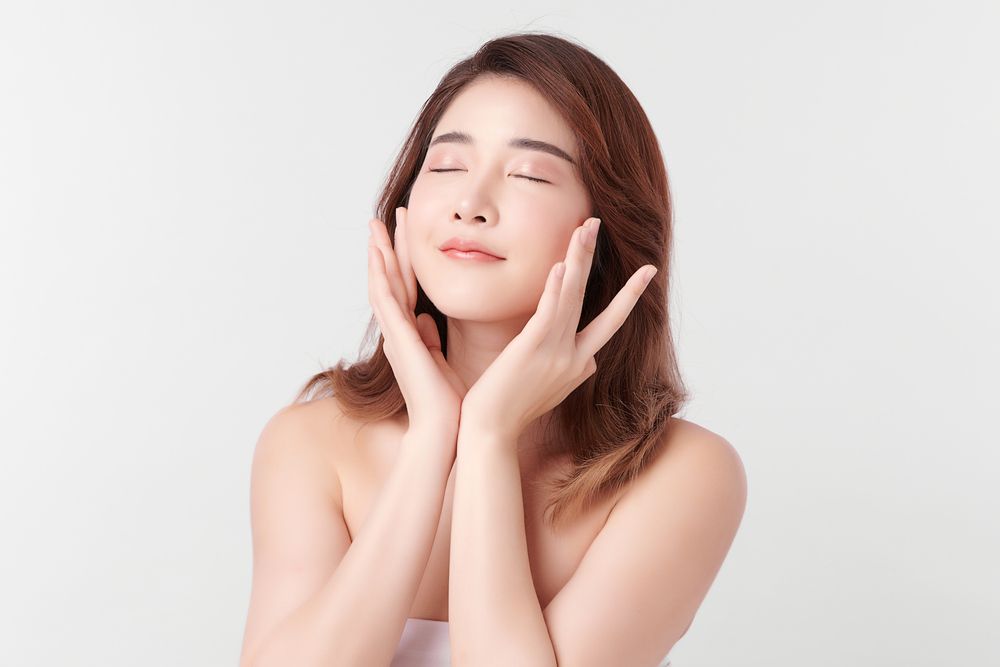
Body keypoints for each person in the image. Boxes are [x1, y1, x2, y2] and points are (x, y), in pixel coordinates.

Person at [239, 31, 747, 667]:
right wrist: (432, 442)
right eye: (447, 167)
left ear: (609, 229)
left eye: (530, 174)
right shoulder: (310, 444)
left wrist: (485, 438)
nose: (470, 206)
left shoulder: (683, 473)